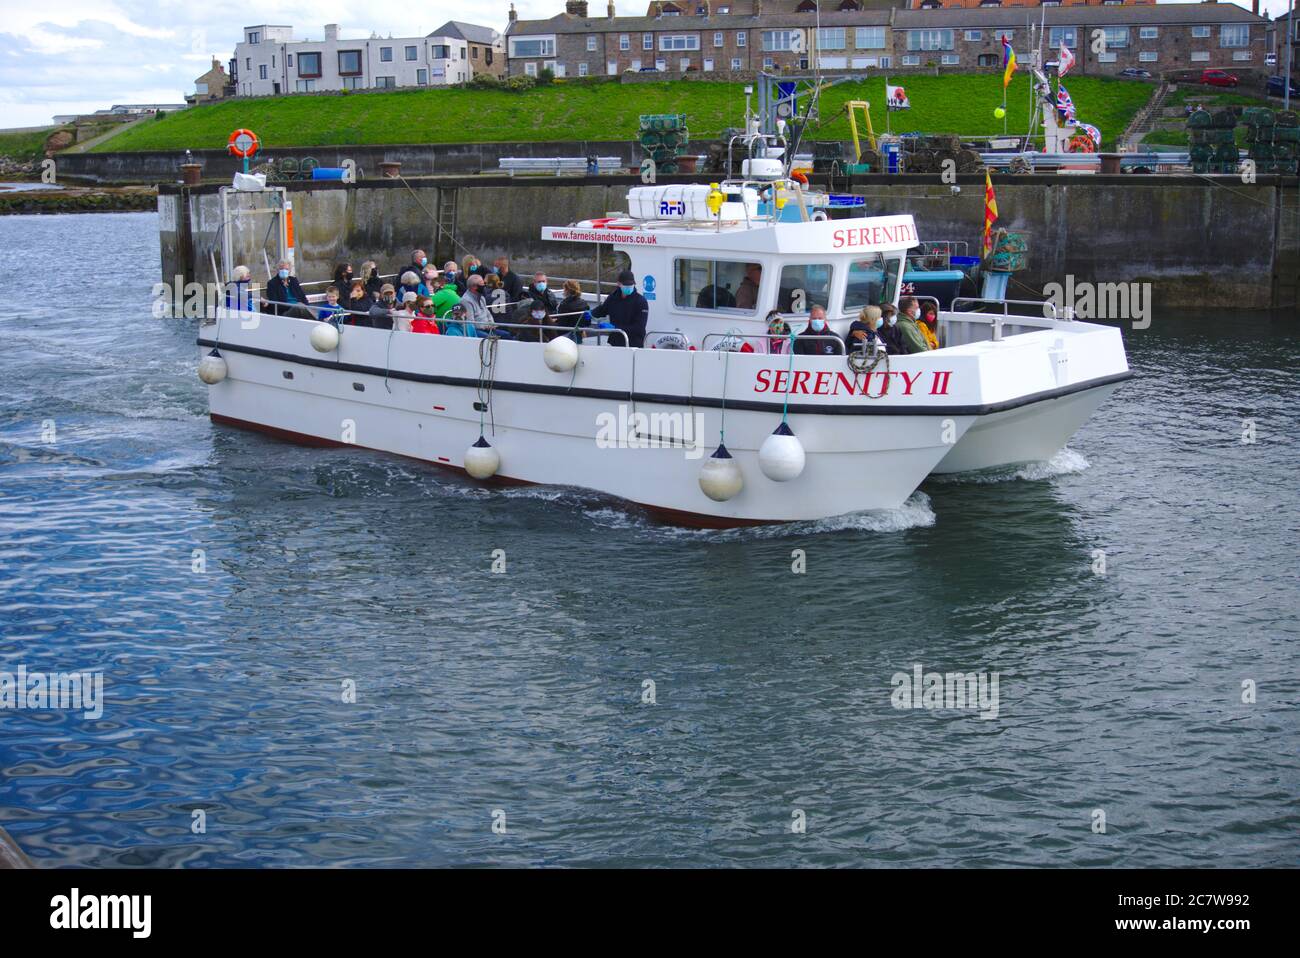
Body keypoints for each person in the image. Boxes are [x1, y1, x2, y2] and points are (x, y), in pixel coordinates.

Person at [591, 269, 648, 348]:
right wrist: (591, 313)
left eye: (631, 285)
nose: (629, 287)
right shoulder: (613, 297)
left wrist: (615, 327)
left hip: (633, 345)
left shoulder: (641, 301)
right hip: (615, 343)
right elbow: (603, 310)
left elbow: (639, 328)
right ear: (619, 284)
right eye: (626, 285)